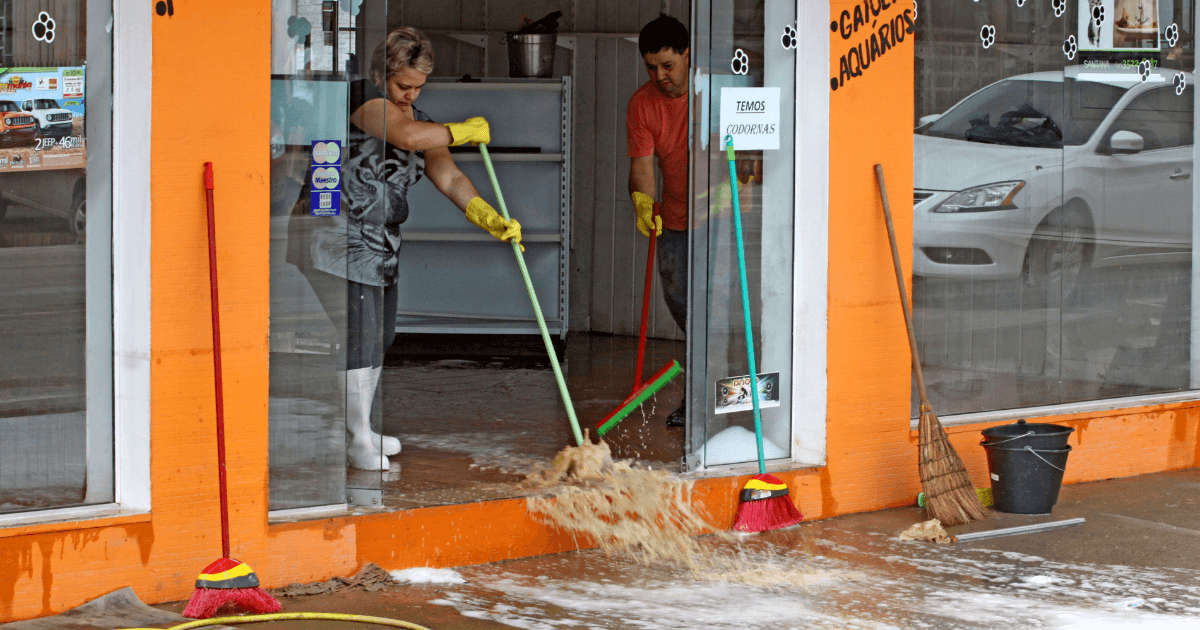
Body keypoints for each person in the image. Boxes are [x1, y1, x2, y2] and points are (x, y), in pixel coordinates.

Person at [288, 27, 522, 470]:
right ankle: (357, 437)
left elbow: (449, 177)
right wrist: (460, 130)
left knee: (380, 336)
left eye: (418, 88)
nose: (409, 96)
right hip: (334, 235)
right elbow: (409, 137)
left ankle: (361, 429)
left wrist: (487, 216)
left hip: (381, 245)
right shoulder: (362, 98)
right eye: (402, 86)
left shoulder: (418, 115)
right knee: (359, 332)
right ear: (381, 73)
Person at [626, 14, 690, 427]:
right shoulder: (643, 104)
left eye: (668, 65)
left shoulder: (714, 88)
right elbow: (643, 167)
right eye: (652, 67)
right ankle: (701, 396)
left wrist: (733, 186)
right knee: (684, 308)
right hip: (675, 218)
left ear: (687, 55)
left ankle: (711, 396)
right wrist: (643, 204)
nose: (660, 75)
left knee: (719, 312)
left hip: (723, 214)